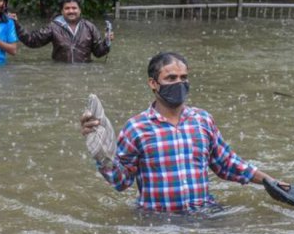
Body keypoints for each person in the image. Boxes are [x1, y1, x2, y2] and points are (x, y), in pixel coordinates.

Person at [80, 51, 283, 213]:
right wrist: (102, 157)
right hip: (158, 223)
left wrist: (270, 182)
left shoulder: (202, 120)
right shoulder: (137, 128)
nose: (179, 83)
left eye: (183, 77)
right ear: (153, 83)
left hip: (204, 215)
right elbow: (121, 181)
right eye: (171, 78)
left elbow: (227, 163)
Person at [13, 0, 113, 63]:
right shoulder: (53, 27)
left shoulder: (90, 27)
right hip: (60, 73)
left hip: (83, 73)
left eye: (74, 8)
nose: (71, 11)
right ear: (62, 11)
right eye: (67, 8)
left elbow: (98, 53)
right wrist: (17, 25)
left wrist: (107, 42)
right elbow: (32, 41)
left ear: (80, 10)